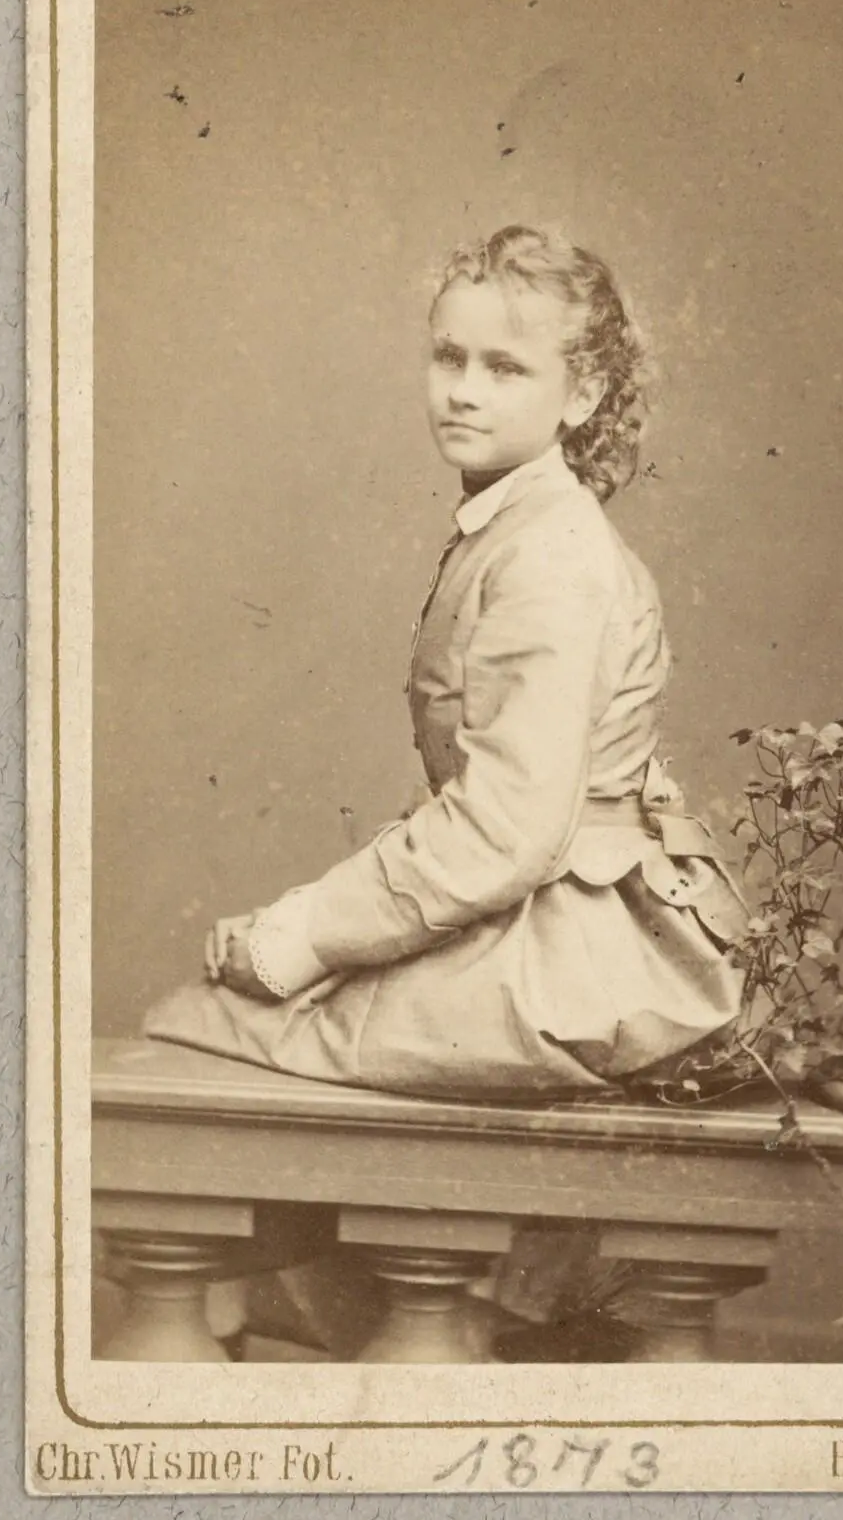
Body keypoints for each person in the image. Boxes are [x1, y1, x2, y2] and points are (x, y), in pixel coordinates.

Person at [144, 224, 748, 1100]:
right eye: (449, 357)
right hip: (532, 908)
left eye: (505, 369)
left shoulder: (551, 556)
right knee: (221, 1011)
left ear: (582, 394)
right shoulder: (517, 527)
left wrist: (300, 936)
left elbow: (506, 828)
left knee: (211, 1021)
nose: (464, 392)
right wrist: (307, 926)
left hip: (571, 956)